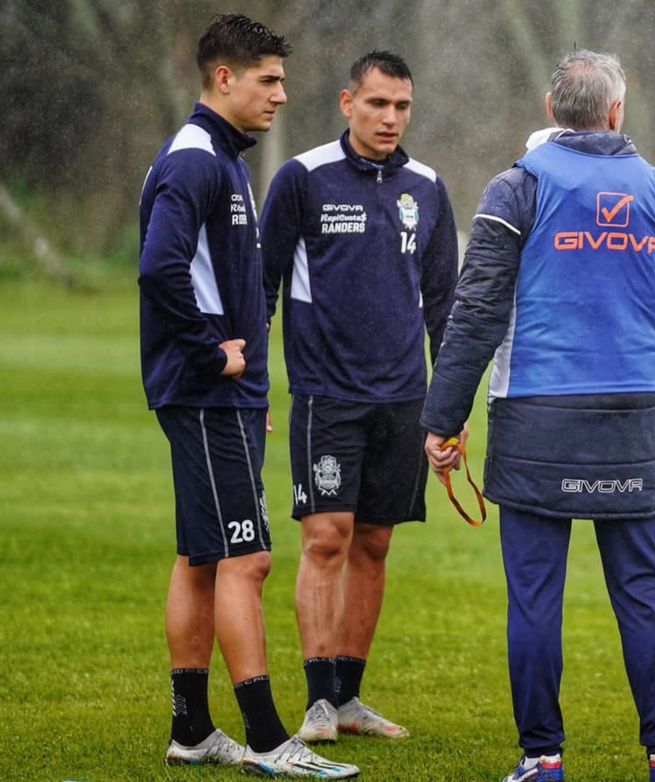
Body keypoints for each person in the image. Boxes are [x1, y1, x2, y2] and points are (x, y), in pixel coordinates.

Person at [421, 50, 655, 782]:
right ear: (616, 113)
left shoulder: (515, 188)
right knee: (644, 594)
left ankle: (542, 758)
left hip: (536, 421)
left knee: (535, 599)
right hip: (634, 422)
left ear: (552, 112)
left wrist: (443, 418)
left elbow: (477, 312)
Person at [138, 13, 357, 778]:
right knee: (249, 558)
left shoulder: (224, 159)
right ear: (223, 78)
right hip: (202, 394)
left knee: (202, 560)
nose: (281, 95)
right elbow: (159, 269)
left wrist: (250, 381)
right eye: (268, 80)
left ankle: (192, 729)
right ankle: (268, 738)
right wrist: (213, 355)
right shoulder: (196, 161)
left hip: (220, 398)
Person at [261, 49, 457, 746]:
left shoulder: (429, 188)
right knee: (326, 539)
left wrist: (450, 408)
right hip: (326, 395)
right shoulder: (303, 178)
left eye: (402, 106)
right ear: (348, 103)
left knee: (373, 543)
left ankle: (347, 696)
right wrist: (255, 384)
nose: (390, 118)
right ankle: (317, 703)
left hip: (404, 398)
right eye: (377, 104)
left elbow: (444, 306)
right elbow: (263, 286)